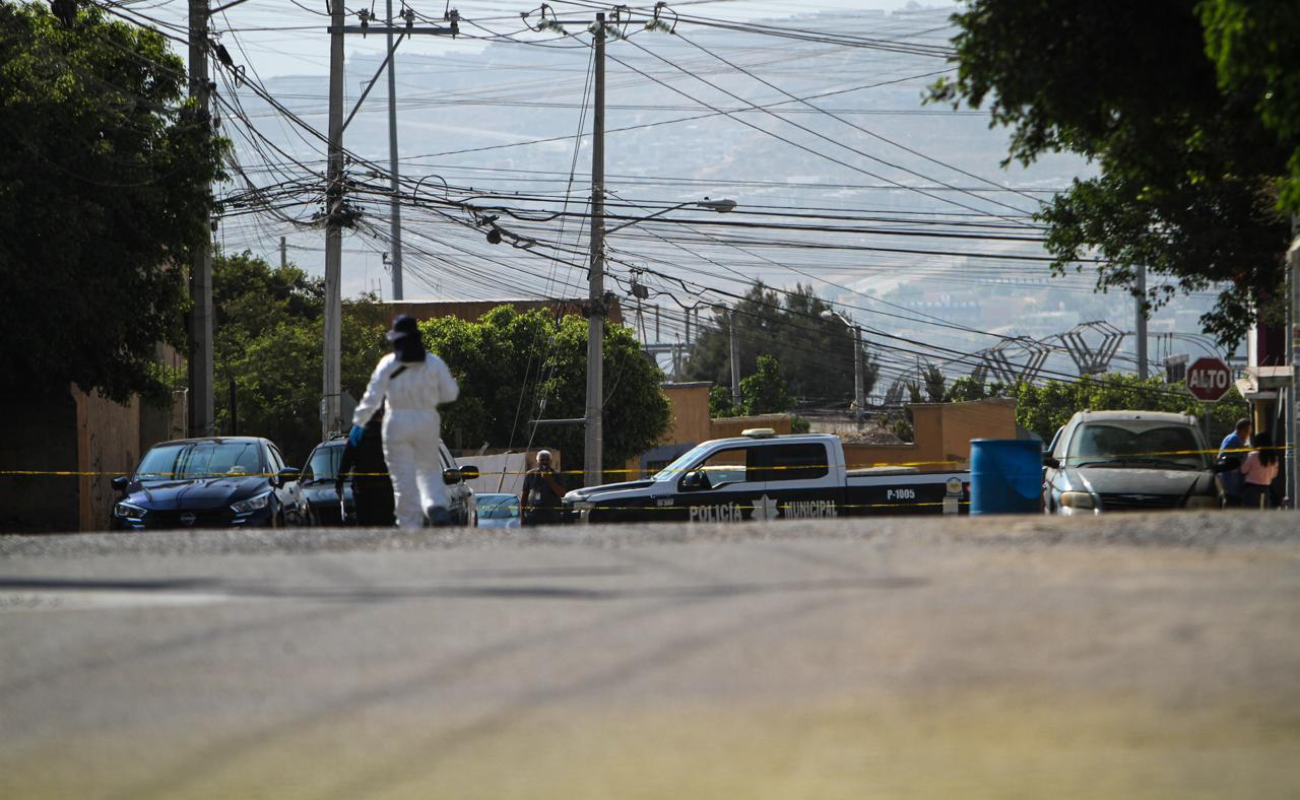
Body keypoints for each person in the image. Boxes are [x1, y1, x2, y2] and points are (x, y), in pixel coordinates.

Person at [351, 314, 459, 530]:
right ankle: (435, 505)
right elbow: (451, 393)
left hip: (396, 423)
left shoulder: (387, 363)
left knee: (402, 478)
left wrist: (358, 424)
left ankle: (409, 524)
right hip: (426, 420)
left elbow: (371, 399)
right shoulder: (433, 362)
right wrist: (426, 400)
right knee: (428, 470)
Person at [336, 408, 395, 527]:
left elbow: (346, 460)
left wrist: (339, 481)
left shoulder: (357, 433)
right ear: (382, 415)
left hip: (362, 490)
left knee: (365, 527)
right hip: (385, 490)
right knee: (386, 527)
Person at [520, 450, 566, 526]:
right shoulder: (530, 475)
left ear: (551, 461)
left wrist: (550, 481)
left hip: (552, 517)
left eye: (547, 460)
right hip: (533, 517)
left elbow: (562, 494)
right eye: (542, 460)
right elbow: (524, 496)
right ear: (537, 461)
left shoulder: (557, 475)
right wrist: (522, 516)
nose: (544, 462)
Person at [1240, 430, 1280, 510]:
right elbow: (1274, 475)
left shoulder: (1252, 455)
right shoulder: (1274, 458)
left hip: (1251, 489)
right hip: (1266, 489)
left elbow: (1243, 470)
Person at [1217, 417, 1252, 507]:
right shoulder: (1233, 438)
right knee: (1232, 501)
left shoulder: (1236, 439)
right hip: (1230, 477)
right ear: (1244, 430)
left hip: (1233, 478)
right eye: (1248, 431)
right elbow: (1225, 455)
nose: (1249, 434)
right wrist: (1242, 452)